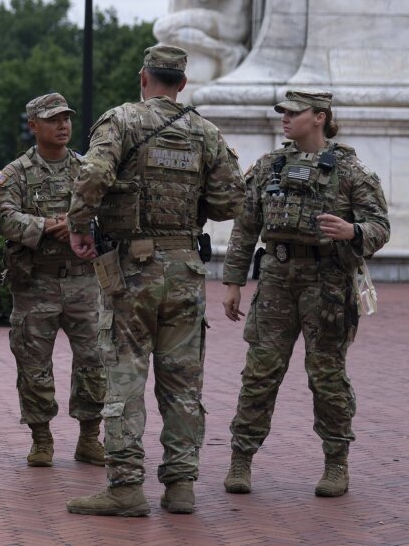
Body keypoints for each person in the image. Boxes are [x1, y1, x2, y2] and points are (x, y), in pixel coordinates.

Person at [64, 44, 245, 517]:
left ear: (143, 78)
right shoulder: (205, 132)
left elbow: (92, 176)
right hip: (186, 268)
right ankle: (181, 486)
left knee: (125, 376)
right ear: (182, 83)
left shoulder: (121, 120)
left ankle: (125, 487)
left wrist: (79, 226)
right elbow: (231, 201)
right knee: (183, 381)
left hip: (132, 269)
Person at [220, 90, 389, 498]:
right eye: (283, 112)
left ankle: (336, 463)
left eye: (295, 113)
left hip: (327, 282)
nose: (285, 118)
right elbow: (245, 227)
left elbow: (380, 226)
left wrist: (353, 231)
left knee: (326, 374)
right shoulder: (268, 167)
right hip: (276, 279)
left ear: (319, 117)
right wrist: (233, 282)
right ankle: (241, 459)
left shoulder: (350, 171)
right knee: (260, 372)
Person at [0, 93, 107, 468]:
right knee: (34, 365)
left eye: (66, 118)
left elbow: (110, 214)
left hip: (83, 281)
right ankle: (41, 438)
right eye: (53, 119)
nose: (62, 125)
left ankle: (89, 438)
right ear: (33, 126)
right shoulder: (16, 173)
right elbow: (3, 216)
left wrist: (76, 224)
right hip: (35, 283)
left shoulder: (87, 170)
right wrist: (45, 226)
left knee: (94, 362)